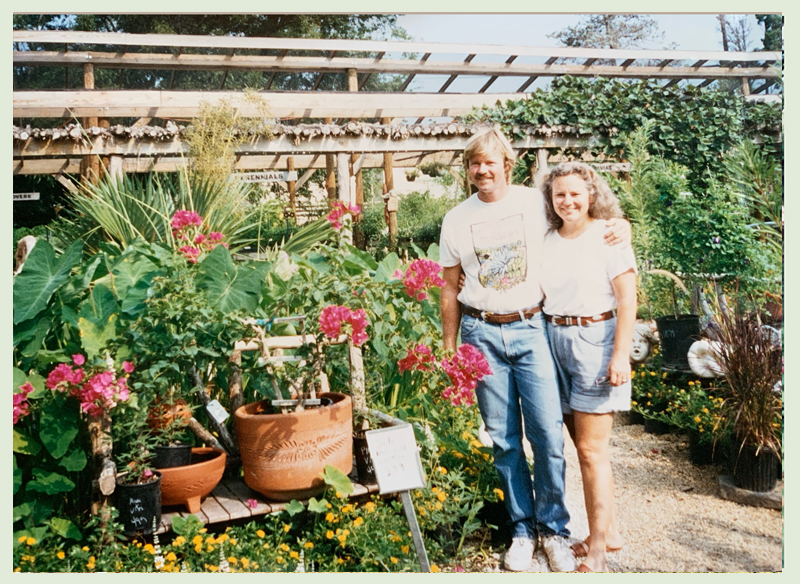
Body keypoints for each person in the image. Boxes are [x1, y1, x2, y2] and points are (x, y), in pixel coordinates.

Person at [438, 128, 629, 572]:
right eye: (474, 163)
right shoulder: (455, 219)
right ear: (467, 169)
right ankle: (522, 531)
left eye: (490, 162)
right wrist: (450, 348)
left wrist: (619, 223)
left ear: (508, 163)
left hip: (531, 328)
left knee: (547, 436)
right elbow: (449, 288)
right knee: (504, 439)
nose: (482, 170)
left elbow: (578, 212)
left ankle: (554, 530)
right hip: (480, 333)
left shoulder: (533, 203)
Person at [539, 161, 637, 572]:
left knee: (593, 450)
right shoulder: (547, 238)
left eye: (575, 193)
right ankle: (607, 531)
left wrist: (620, 354)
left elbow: (628, 299)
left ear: (591, 194)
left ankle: (597, 550)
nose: (568, 201)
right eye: (559, 194)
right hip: (552, 339)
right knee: (577, 445)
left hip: (595, 340)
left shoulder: (608, 235)